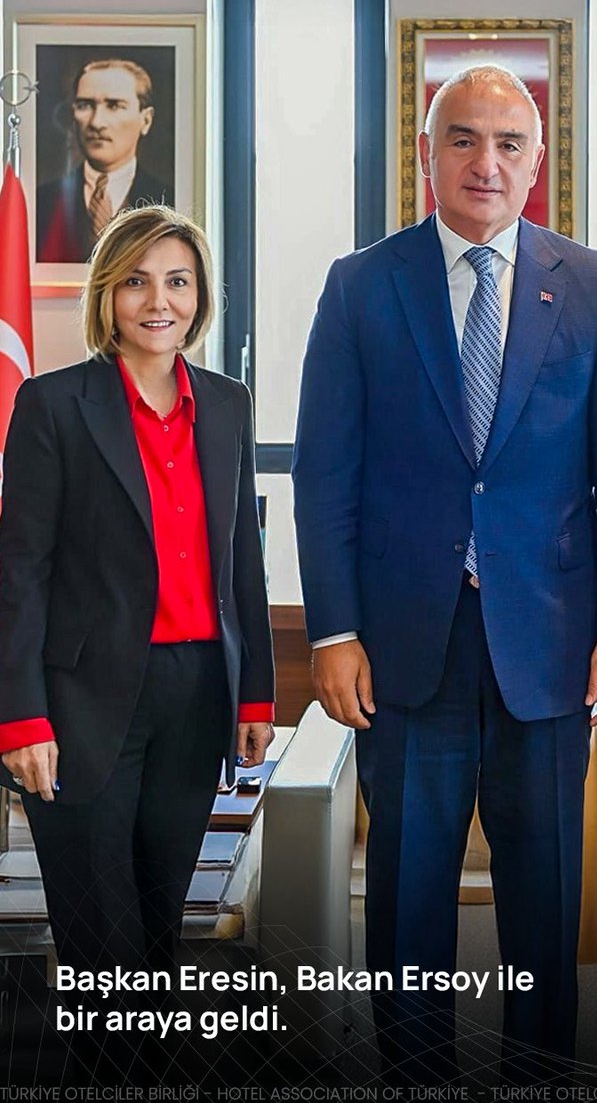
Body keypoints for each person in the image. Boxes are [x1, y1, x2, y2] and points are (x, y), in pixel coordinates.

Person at [293, 64, 597, 1083]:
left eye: (507, 143)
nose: (484, 162)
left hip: (551, 648)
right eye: (462, 139)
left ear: (536, 162)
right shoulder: (362, 285)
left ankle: (540, 1075)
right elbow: (326, 475)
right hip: (405, 648)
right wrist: (333, 631)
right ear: (427, 154)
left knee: (545, 898)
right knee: (407, 896)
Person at [0, 206, 274, 1071]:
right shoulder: (53, 405)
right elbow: (20, 573)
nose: (159, 301)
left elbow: (242, 561)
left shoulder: (226, 405)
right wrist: (20, 717)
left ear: (200, 296)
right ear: (107, 295)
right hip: (81, 705)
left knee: (158, 932)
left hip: (197, 697)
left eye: (178, 281)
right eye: (137, 282)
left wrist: (255, 695)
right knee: (101, 939)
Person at [35, 59, 174, 264]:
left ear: (146, 120)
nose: (96, 122)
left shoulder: (170, 201)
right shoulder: (41, 201)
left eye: (114, 105)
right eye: (84, 105)